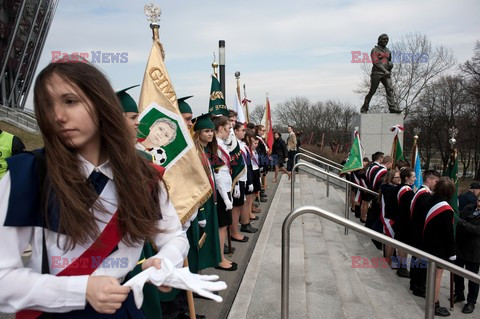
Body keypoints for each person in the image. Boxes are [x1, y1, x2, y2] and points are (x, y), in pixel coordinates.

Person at [0, 60, 189, 317]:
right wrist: (81, 289)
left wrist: (166, 261)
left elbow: (173, 236)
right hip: (52, 311)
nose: (57, 115)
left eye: (70, 101)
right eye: (47, 105)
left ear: (102, 104)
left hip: (123, 309)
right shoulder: (29, 175)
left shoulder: (144, 176)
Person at [422, 177, 456, 317]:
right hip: (439, 247)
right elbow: (448, 233)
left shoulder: (430, 199)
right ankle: (434, 304)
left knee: (431, 274)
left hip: (428, 242)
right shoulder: (446, 209)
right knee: (437, 276)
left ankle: (430, 298)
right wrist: (452, 252)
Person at [409, 170, 440, 298]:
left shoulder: (422, 192)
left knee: (417, 259)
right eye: (436, 181)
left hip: (416, 231)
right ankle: (419, 287)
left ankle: (414, 283)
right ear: (429, 180)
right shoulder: (424, 195)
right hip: (420, 233)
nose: (437, 184)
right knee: (421, 261)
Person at [212, 115, 237, 271]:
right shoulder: (215, 146)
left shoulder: (221, 144)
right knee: (222, 225)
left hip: (226, 188)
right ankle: (219, 258)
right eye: (228, 128)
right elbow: (218, 172)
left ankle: (221, 255)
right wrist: (225, 197)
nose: (230, 131)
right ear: (220, 128)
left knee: (224, 224)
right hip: (221, 191)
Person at [360, 33, 402, 114]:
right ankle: (364, 108)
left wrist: (390, 66)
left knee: (390, 89)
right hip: (377, 73)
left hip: (386, 74)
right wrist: (384, 70)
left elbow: (388, 61)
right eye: (384, 39)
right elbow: (375, 62)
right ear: (379, 40)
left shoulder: (388, 51)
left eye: (387, 39)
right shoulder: (375, 50)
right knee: (372, 91)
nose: (385, 41)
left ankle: (392, 107)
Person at [454, 193, 480, 314]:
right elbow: (459, 216)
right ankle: (459, 294)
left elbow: (476, 230)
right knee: (457, 273)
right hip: (461, 246)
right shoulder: (470, 207)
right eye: (479, 200)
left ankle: (471, 302)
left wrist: (462, 223)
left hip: (474, 251)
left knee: (472, 278)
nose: (479, 203)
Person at [393, 167, 416, 278]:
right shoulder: (407, 192)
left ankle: (400, 266)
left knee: (401, 246)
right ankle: (402, 268)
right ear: (407, 178)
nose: (415, 179)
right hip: (404, 222)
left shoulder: (400, 188)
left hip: (400, 220)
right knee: (403, 246)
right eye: (413, 177)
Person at [379, 170, 401, 265]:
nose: (399, 179)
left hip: (389, 216)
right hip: (388, 217)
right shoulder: (388, 188)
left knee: (390, 240)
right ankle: (388, 262)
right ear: (391, 179)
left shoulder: (390, 187)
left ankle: (389, 260)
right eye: (397, 177)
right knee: (391, 241)